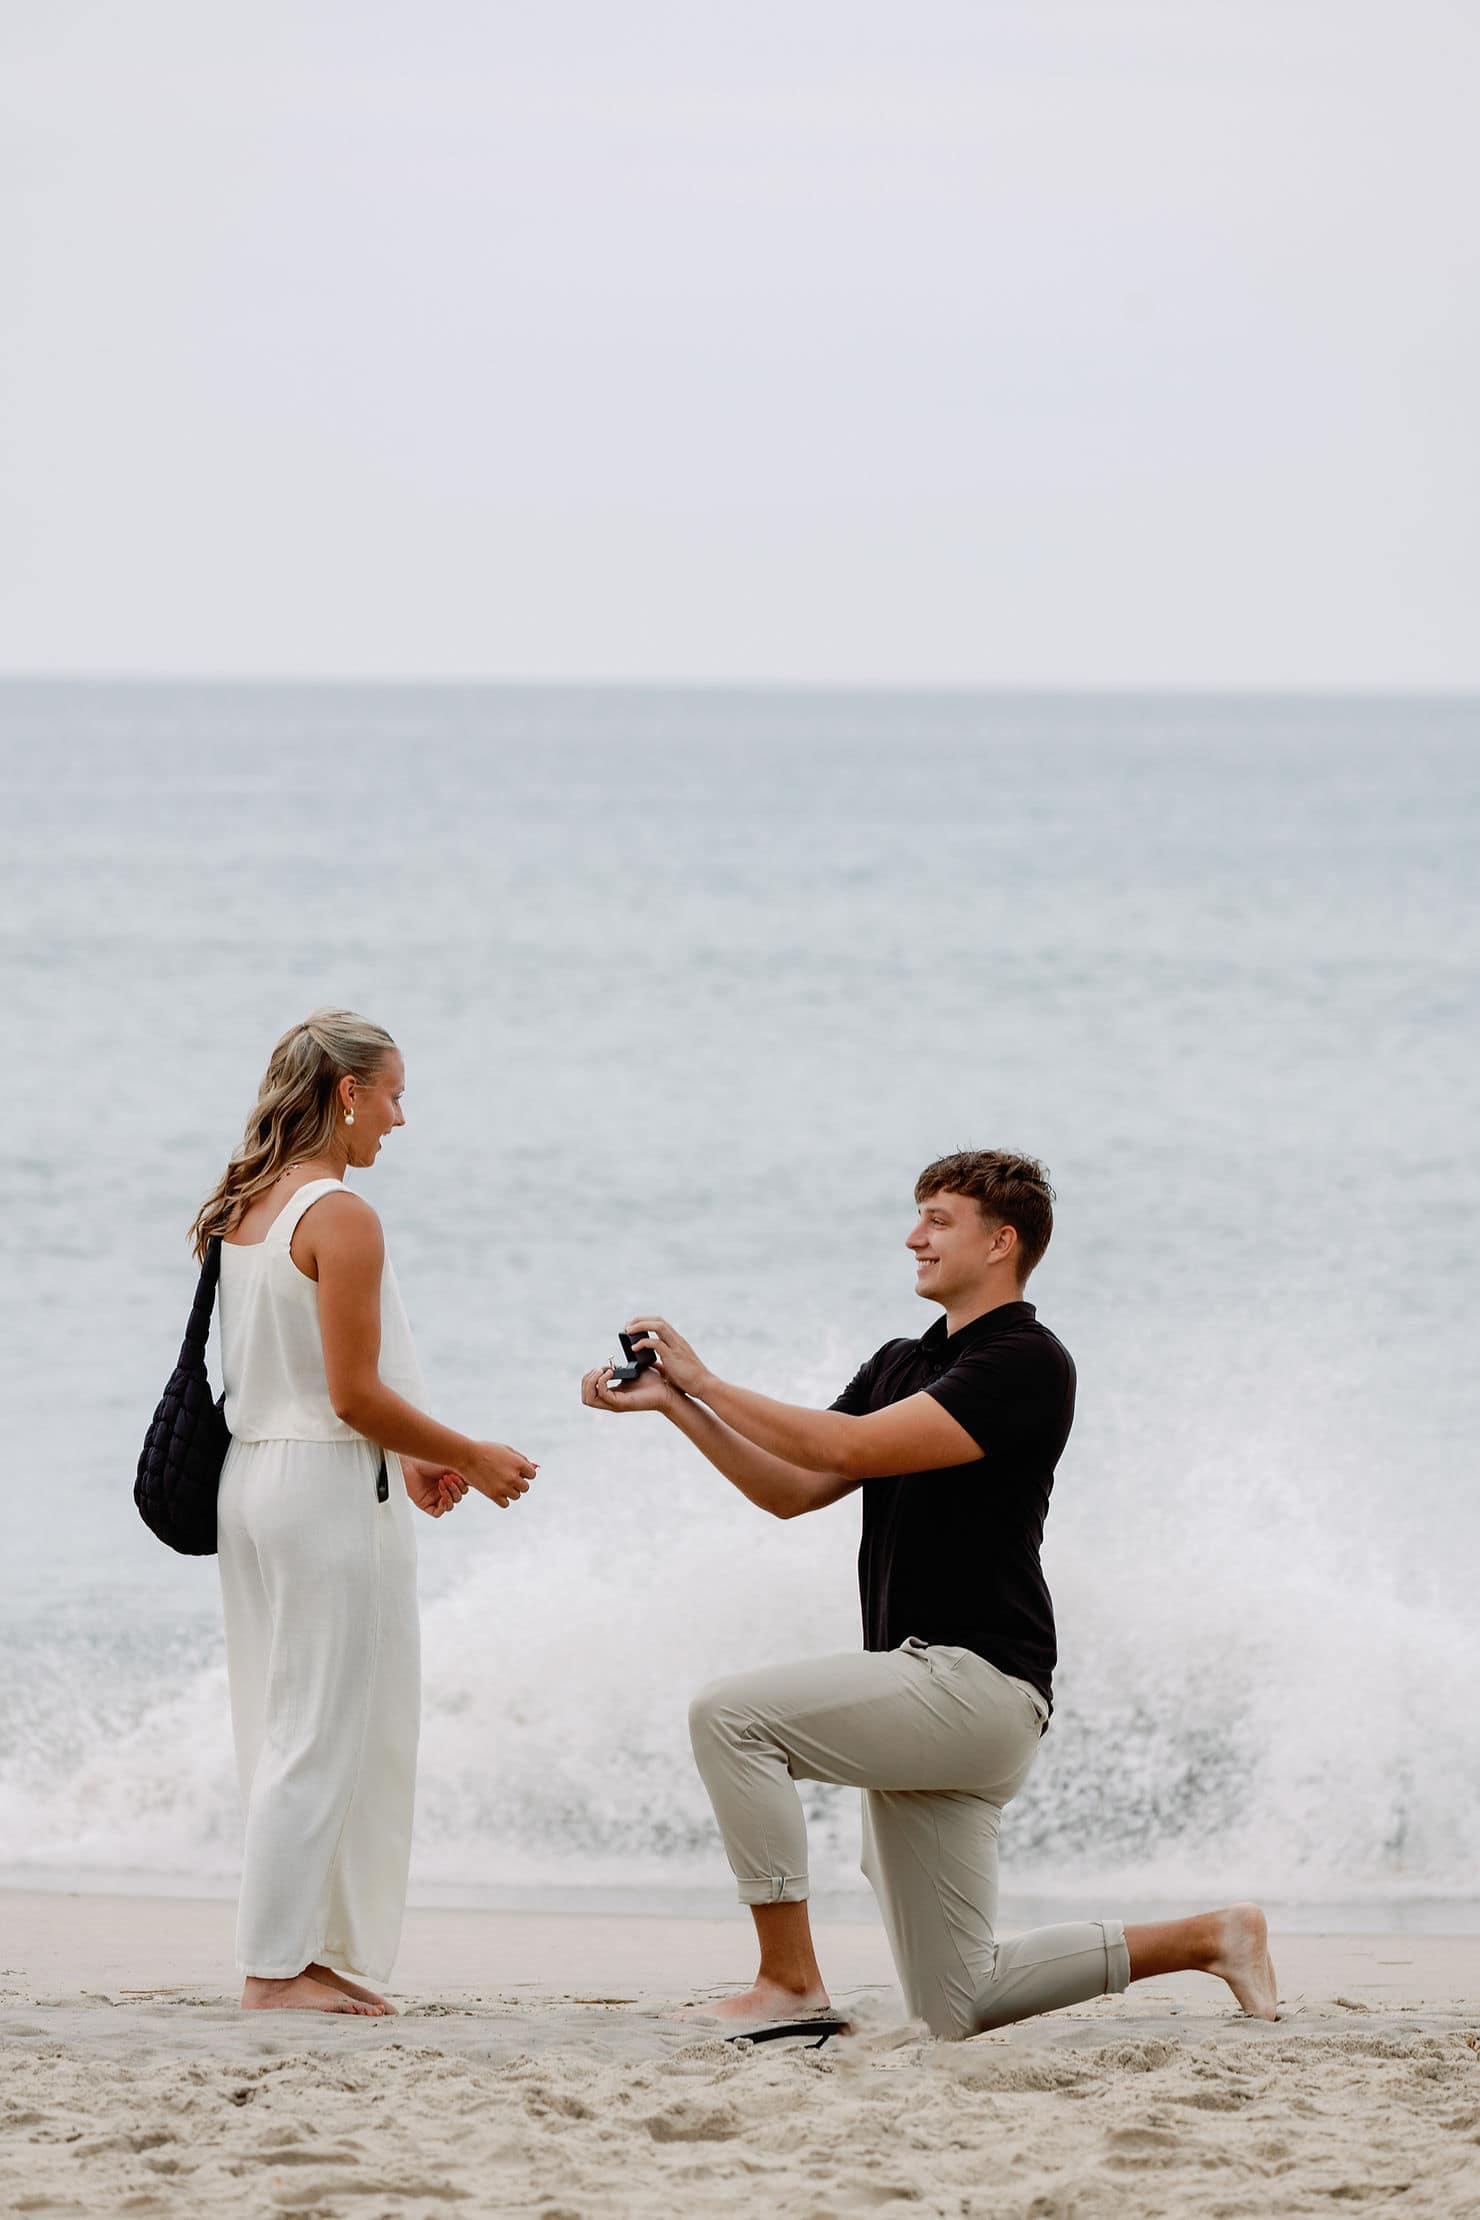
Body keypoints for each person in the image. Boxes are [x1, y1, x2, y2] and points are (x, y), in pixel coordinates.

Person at [581, 1149, 1278, 2040]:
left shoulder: (1027, 1361)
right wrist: (677, 1405)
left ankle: (788, 1981)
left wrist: (709, 1379)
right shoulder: (899, 1362)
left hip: (978, 1682)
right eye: (916, 1217)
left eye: (938, 1220)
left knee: (730, 1717)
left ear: (1003, 1241)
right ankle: (1212, 1936)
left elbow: (844, 1450)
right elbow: (791, 1489)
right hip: (926, 1695)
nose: (913, 1238)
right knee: (958, 2003)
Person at [193, 1009, 538, 2016]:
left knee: (287, 1720)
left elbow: (300, 1376)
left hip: (255, 1479)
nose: (399, 1116)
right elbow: (349, 1393)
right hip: (322, 1488)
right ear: (348, 1093)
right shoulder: (338, 1213)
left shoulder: (246, 1202)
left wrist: (417, 1450)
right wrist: (465, 1452)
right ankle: (274, 1972)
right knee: (322, 1727)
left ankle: (300, 1950)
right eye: (391, 1092)